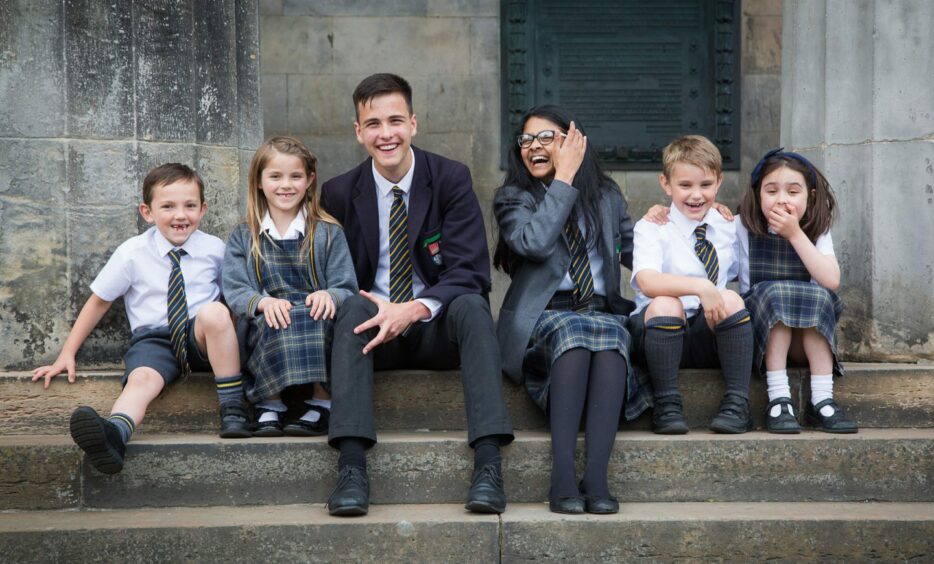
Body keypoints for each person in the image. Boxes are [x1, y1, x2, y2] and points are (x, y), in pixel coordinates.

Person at [320, 73, 514, 517]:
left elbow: (471, 271)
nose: (385, 134)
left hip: (434, 327)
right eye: (373, 124)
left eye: (394, 121)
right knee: (349, 305)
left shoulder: (449, 178)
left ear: (413, 123)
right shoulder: (338, 192)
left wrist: (412, 309)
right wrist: (380, 308)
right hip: (371, 330)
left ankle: (487, 464)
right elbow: (333, 273)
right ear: (358, 132)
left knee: (472, 305)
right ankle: (351, 468)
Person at [32, 163, 249, 474]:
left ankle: (233, 409)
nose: (180, 215)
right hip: (155, 339)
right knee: (141, 380)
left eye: (190, 206)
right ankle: (115, 435)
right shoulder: (132, 252)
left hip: (200, 337)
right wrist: (67, 353)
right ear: (147, 212)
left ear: (203, 210)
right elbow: (99, 301)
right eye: (168, 206)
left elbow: (236, 297)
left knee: (215, 312)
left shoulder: (215, 249)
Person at [493, 106, 651, 514]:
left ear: (573, 142)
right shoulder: (515, 198)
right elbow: (533, 243)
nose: (534, 147)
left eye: (547, 138)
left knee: (612, 336)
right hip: (544, 316)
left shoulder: (607, 195)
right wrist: (563, 179)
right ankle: (562, 476)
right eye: (526, 140)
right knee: (575, 336)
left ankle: (596, 478)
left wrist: (686, 221)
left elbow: (641, 254)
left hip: (600, 310)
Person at [224, 137, 358, 436]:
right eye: (275, 176)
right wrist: (261, 302)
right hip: (267, 316)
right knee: (275, 317)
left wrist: (329, 294)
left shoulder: (328, 232)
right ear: (258, 181)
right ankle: (270, 404)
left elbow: (346, 285)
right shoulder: (244, 235)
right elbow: (234, 288)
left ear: (309, 181)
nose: (286, 185)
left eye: (295, 176)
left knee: (318, 317)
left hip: (314, 314)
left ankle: (322, 404)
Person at [630, 135, 754, 435]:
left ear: (719, 182)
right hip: (657, 332)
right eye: (685, 185)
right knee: (665, 302)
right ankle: (666, 404)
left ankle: (738, 403)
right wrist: (700, 286)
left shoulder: (728, 226)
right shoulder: (652, 227)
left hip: (708, 332)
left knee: (732, 300)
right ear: (666, 184)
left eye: (705, 185)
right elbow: (647, 281)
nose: (696, 195)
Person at [735, 148, 856, 433]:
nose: (782, 200)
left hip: (806, 340)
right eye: (772, 191)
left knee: (817, 294)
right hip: (762, 337)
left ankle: (823, 399)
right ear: (757, 194)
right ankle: (779, 397)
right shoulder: (741, 226)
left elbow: (831, 280)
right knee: (777, 295)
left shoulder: (817, 228)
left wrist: (795, 234)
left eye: (792, 191)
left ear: (810, 196)